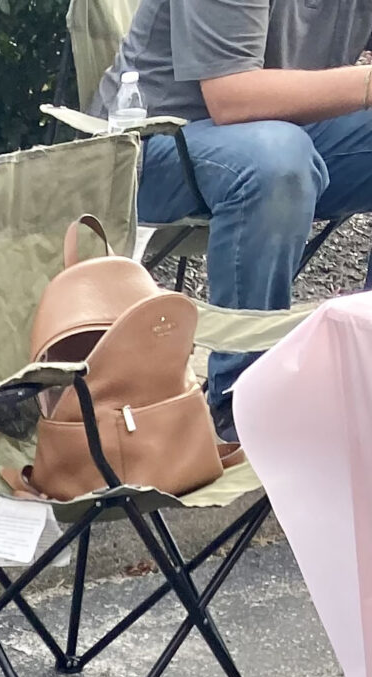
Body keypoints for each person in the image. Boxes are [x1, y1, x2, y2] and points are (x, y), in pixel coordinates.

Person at [93, 0, 372, 432]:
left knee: (280, 152)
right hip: (156, 143)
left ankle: (365, 383)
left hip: (283, 133)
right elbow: (232, 95)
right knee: (276, 162)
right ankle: (241, 404)